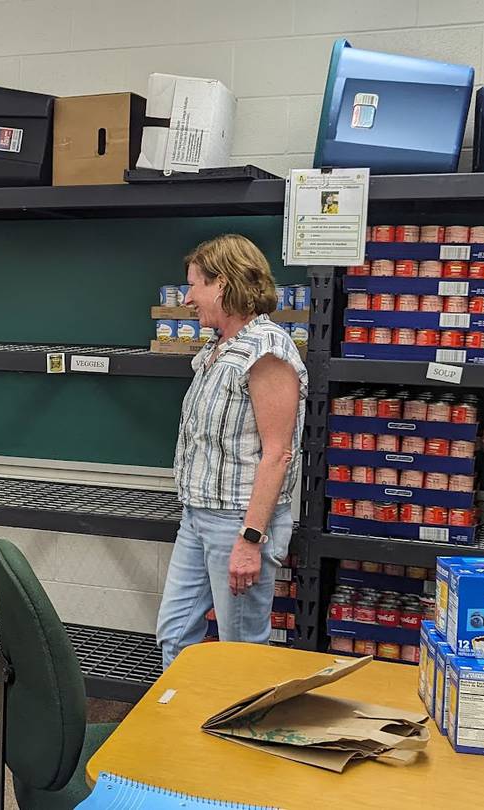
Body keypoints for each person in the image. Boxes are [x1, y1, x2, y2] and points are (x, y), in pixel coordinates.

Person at [155, 235, 307, 669]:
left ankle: (234, 733)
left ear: (221, 284)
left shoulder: (268, 350)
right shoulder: (217, 348)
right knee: (175, 633)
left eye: (194, 285)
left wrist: (250, 539)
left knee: (238, 649)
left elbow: (278, 453)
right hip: (198, 515)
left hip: (238, 523)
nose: (187, 298)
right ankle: (179, 727)